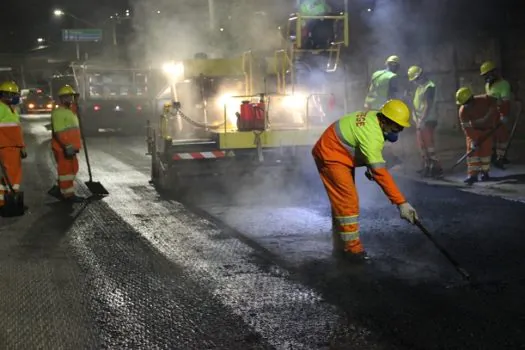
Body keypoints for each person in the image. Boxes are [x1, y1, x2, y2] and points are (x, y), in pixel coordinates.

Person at [312, 99, 419, 260]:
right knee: (348, 202)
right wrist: (401, 203)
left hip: (339, 151)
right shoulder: (372, 135)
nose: (398, 131)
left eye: (401, 128)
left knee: (342, 204)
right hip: (331, 155)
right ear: (384, 121)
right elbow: (380, 173)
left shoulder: (375, 119)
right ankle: (352, 251)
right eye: (396, 127)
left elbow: (364, 148)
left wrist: (371, 165)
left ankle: (340, 245)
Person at [455, 87, 498, 184]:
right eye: (464, 104)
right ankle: (472, 175)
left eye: (467, 103)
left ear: (472, 99)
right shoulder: (462, 111)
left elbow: (495, 103)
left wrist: (492, 115)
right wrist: (473, 140)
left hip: (487, 131)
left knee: (485, 154)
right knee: (472, 154)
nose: (466, 106)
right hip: (473, 131)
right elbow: (466, 128)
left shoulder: (484, 99)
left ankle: (485, 173)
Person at [50, 85, 84, 202]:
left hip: (71, 147)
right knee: (66, 172)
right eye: (66, 97)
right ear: (61, 99)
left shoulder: (70, 111)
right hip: (63, 148)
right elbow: (58, 132)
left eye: (71, 97)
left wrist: (76, 100)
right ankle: (67, 195)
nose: (69, 100)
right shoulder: (58, 112)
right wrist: (66, 146)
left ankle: (59, 189)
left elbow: (75, 108)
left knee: (73, 168)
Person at [407, 65, 443, 178]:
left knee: (429, 145)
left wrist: (422, 119)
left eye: (416, 79)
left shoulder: (429, 86)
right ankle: (427, 166)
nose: (415, 82)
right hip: (420, 120)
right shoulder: (420, 87)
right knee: (422, 145)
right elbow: (416, 104)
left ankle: (436, 168)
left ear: (421, 76)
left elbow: (428, 104)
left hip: (428, 120)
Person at [479, 60, 512, 168]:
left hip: (500, 113)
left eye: (488, 74)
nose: (487, 77)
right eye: (485, 75)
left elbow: (505, 102)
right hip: (491, 114)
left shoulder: (504, 84)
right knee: (492, 137)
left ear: (494, 72)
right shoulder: (488, 85)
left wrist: (504, 115)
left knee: (502, 137)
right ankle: (495, 156)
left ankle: (501, 158)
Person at [0, 81, 26, 214]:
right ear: (7, 95)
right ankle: (7, 202)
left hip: (14, 147)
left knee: (11, 176)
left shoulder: (12, 109)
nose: (16, 97)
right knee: (11, 176)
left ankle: (6, 200)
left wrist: (22, 146)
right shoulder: (0, 108)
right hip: (6, 147)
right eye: (14, 94)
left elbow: (16, 130)